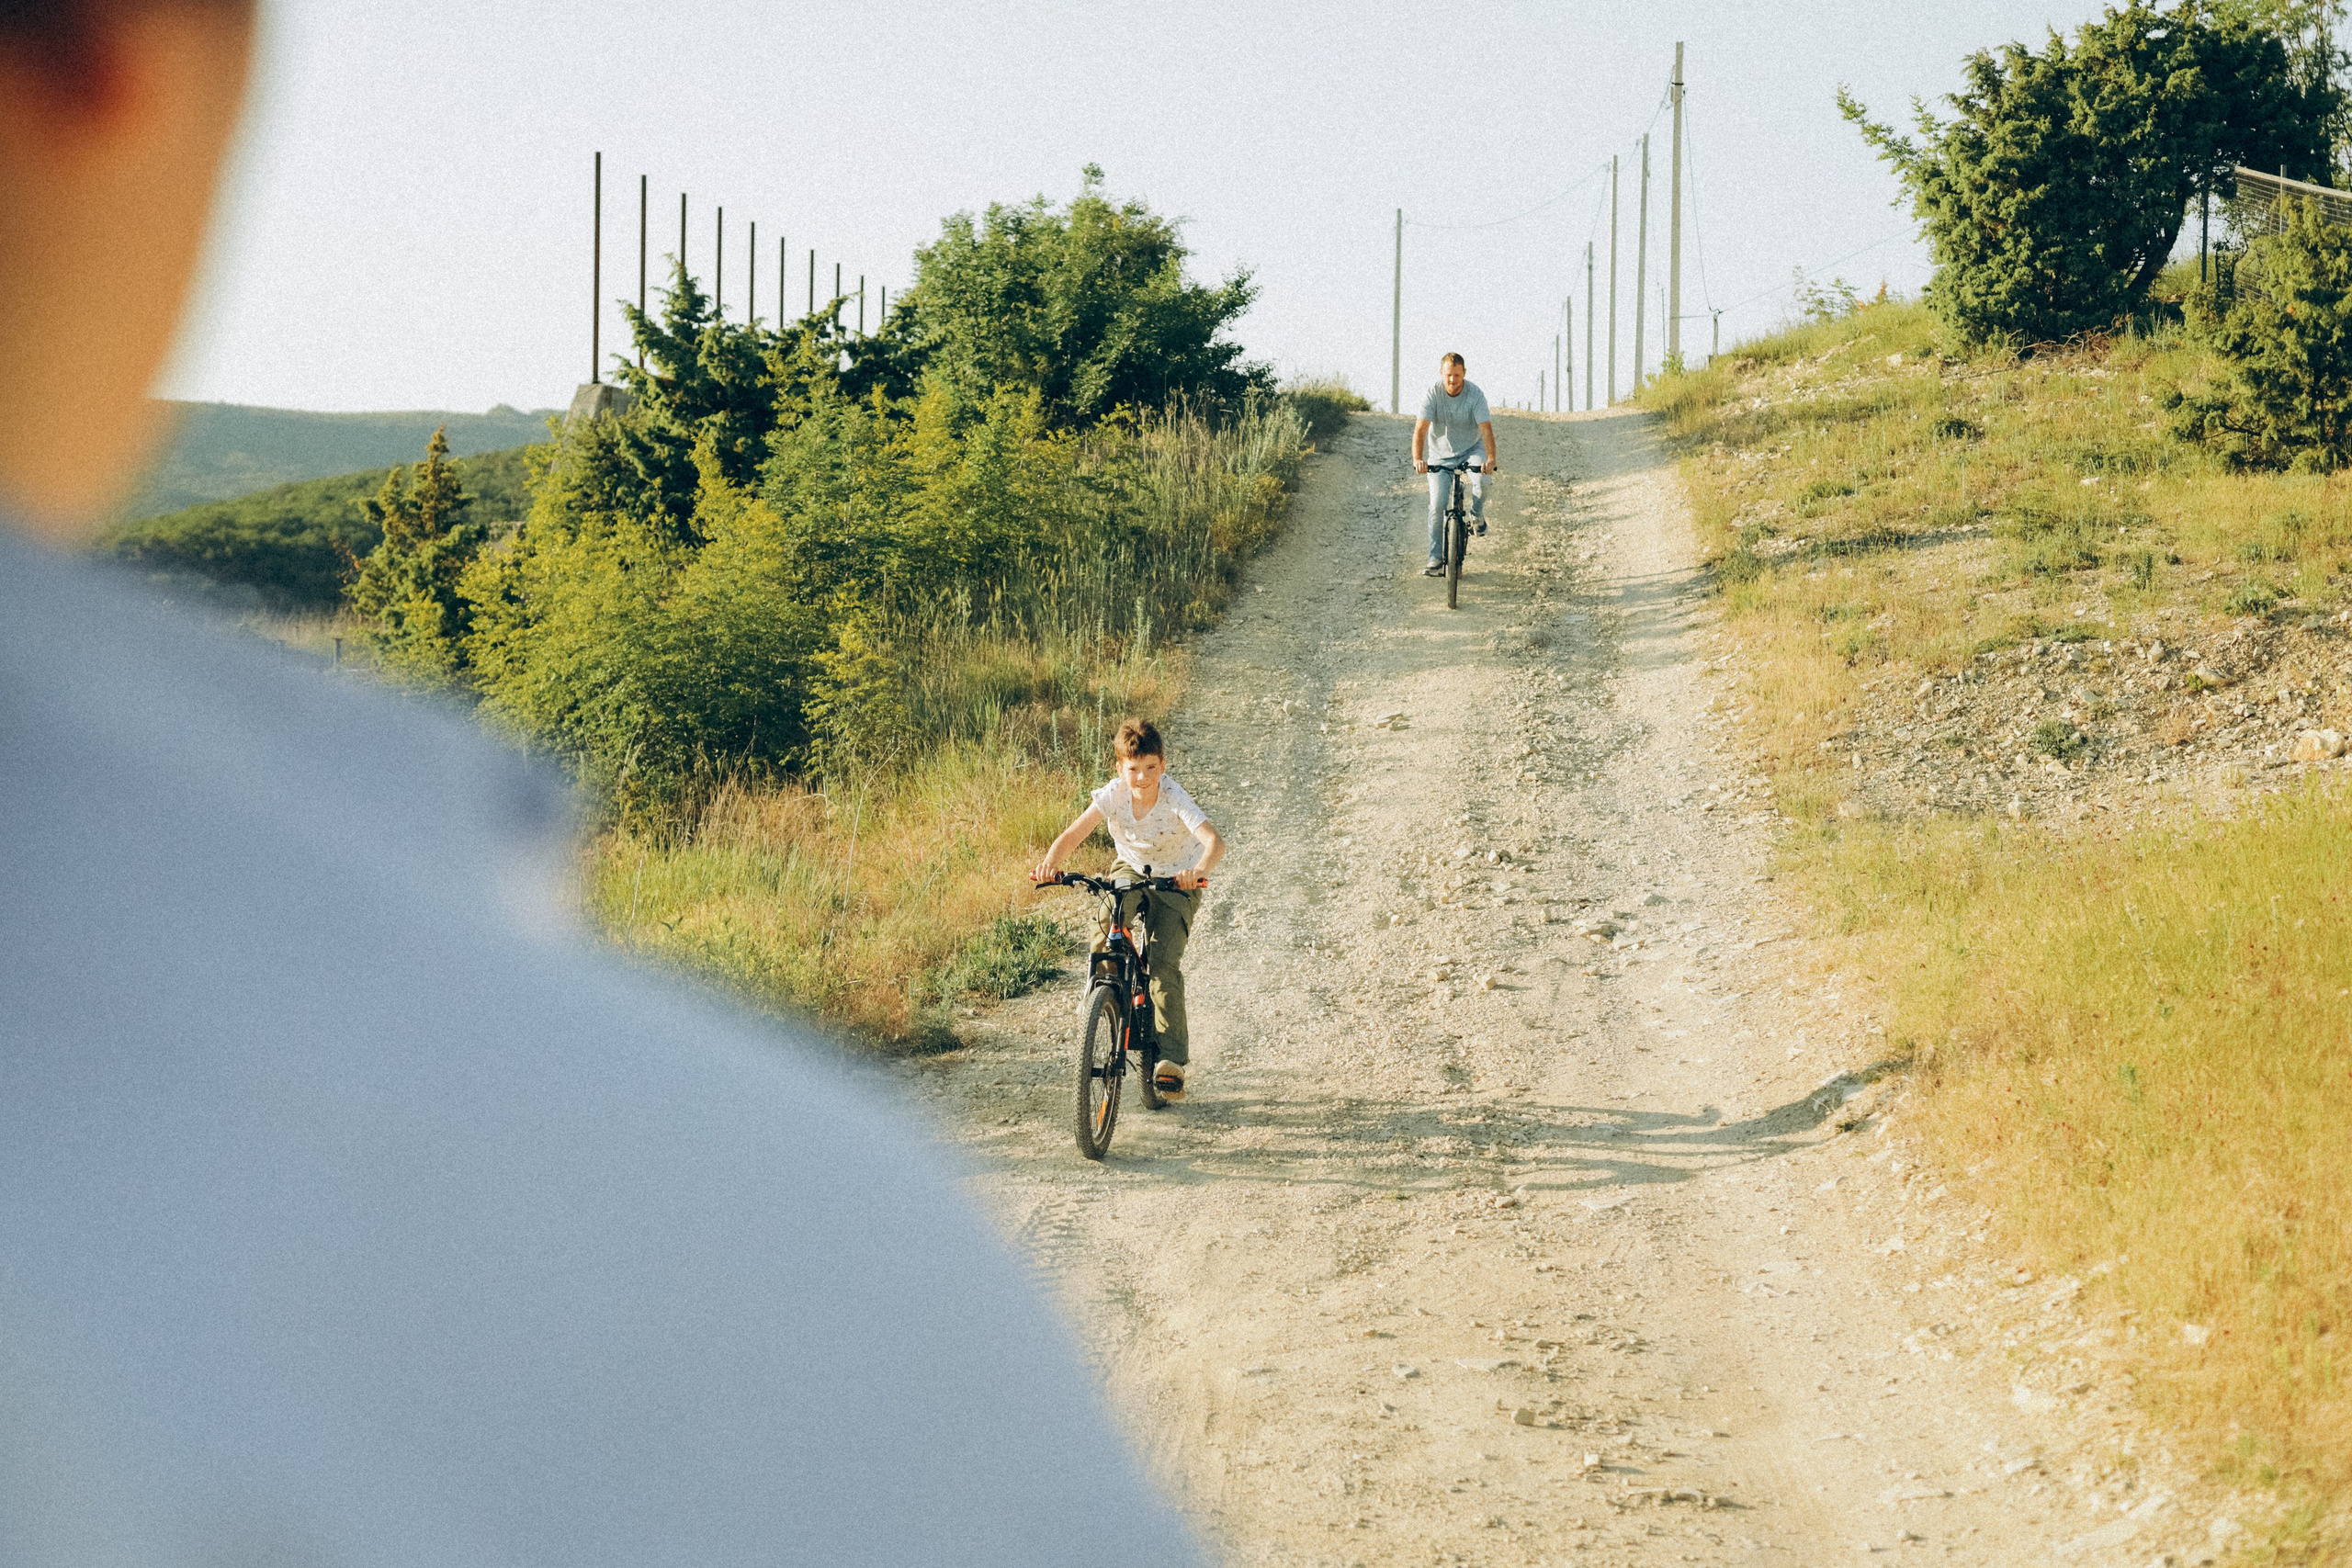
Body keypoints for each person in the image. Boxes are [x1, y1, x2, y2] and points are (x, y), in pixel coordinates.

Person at [0, 5, 1203, 1564]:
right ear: (120, 52)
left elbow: (1186, 837)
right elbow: (1066, 825)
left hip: (1170, 890)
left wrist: (1170, 864)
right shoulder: (753, 1293)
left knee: (1162, 967)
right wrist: (1048, 859)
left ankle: (1165, 1052)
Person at [1032, 718, 1224, 1100]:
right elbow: (1073, 833)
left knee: (1163, 965)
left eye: (1151, 767)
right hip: (1131, 869)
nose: (1142, 777)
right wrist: (1050, 864)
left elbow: (1213, 842)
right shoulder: (1113, 794)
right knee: (1106, 925)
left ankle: (1170, 1061)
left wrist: (1197, 872)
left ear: (1163, 766)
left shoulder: (1172, 796)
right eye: (1133, 769)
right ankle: (1102, 1000)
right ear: (1119, 768)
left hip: (1176, 880)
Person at [1412, 351, 1498, 575]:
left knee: (1484, 481)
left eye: (1457, 376)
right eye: (1448, 375)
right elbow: (1420, 430)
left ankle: (1476, 514)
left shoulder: (1475, 395)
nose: (1452, 380)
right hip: (1440, 454)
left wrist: (1490, 459)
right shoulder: (1433, 394)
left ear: (1464, 374)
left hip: (1472, 449)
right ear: (1442, 373)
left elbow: (1486, 430)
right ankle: (1434, 558)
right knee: (1437, 505)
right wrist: (1418, 459)